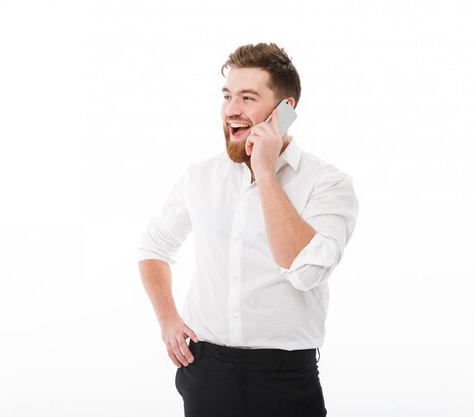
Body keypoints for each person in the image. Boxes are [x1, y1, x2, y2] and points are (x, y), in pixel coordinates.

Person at [137, 42, 359, 417]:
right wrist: (167, 319)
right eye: (227, 96)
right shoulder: (199, 176)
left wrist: (266, 173)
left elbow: (305, 271)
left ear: (284, 113)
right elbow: (154, 246)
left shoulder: (328, 184)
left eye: (247, 97)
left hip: (285, 379)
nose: (231, 110)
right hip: (205, 372)